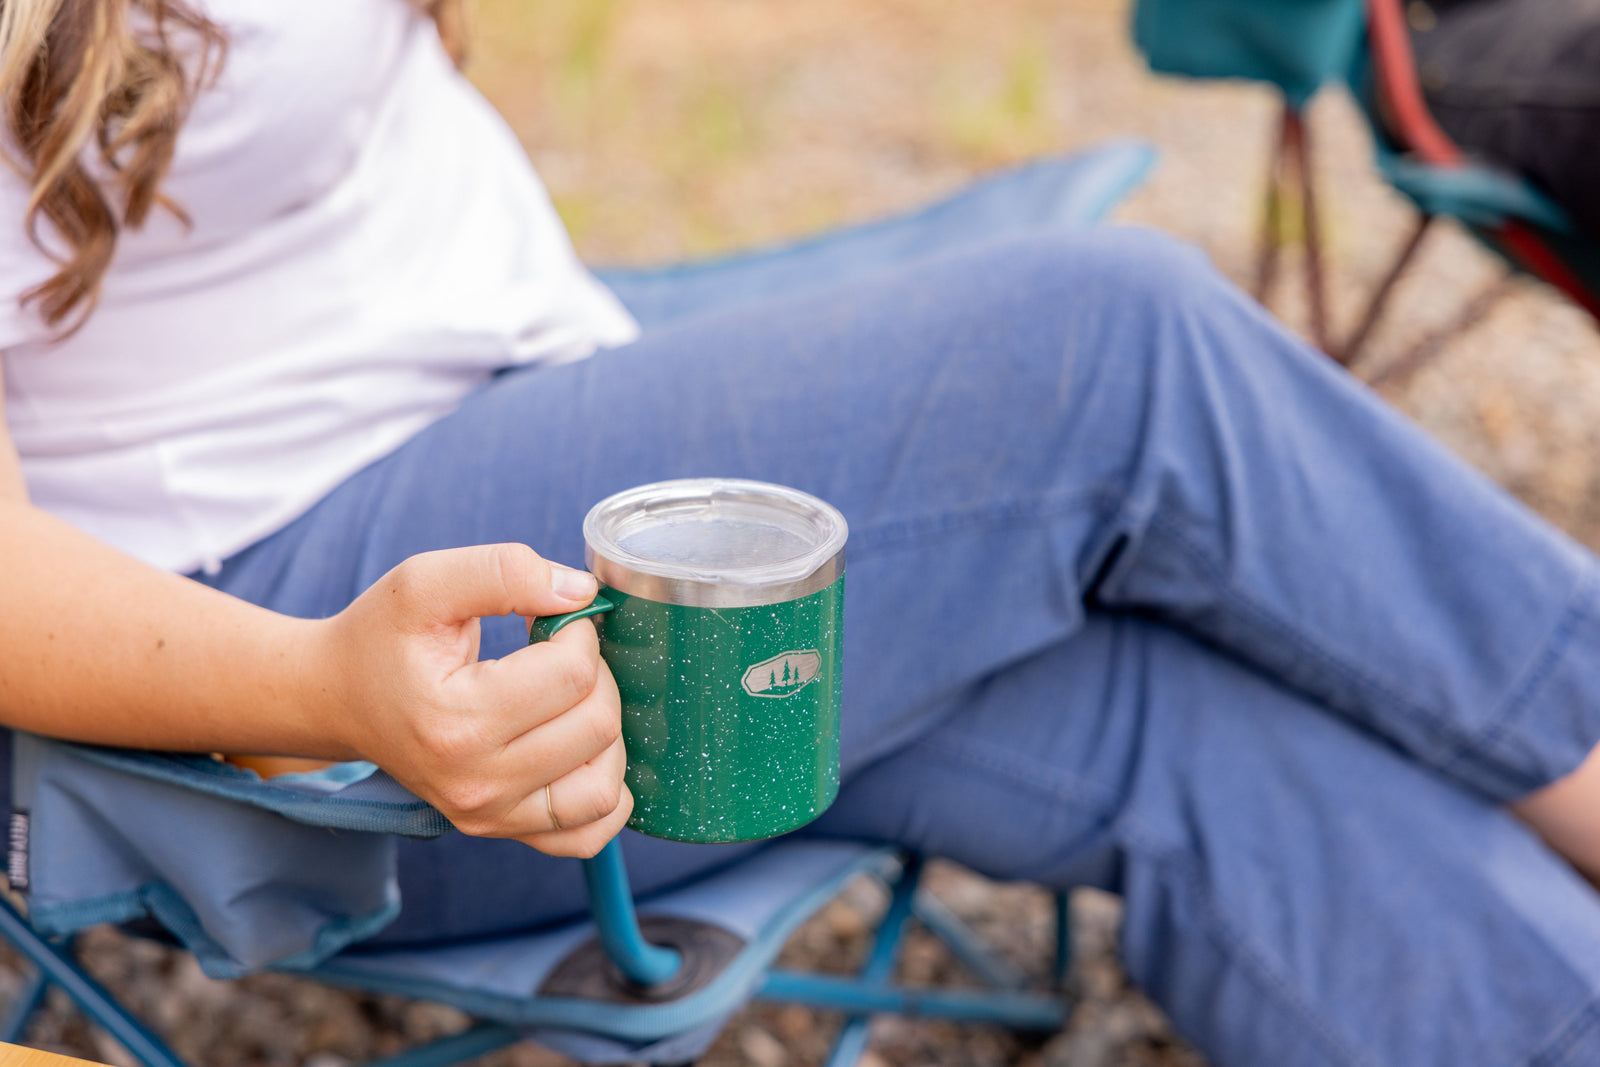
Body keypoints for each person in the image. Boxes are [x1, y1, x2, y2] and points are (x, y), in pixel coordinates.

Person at [6, 2, 1600, 1064]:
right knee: (1110, 348)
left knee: (1149, 702)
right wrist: (319, 693)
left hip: (543, 401)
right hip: (329, 662)